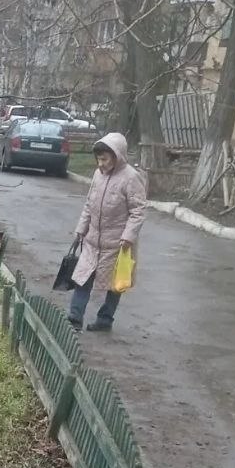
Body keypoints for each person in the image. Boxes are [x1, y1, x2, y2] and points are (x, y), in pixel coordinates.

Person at [69, 132, 146, 333]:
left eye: (104, 159)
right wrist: (80, 229)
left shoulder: (131, 177)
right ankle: (74, 318)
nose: (100, 163)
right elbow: (89, 204)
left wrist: (128, 236)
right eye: (98, 159)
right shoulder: (97, 175)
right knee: (82, 278)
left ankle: (105, 319)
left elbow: (138, 211)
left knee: (115, 284)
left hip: (117, 244)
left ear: (117, 156)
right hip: (92, 240)